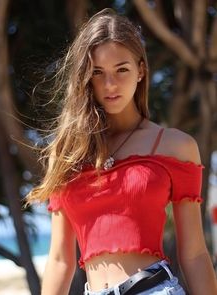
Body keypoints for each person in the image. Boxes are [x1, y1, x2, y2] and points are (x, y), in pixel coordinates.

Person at [26, 8, 217, 295]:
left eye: (122, 69)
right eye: (98, 73)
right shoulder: (67, 155)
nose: (110, 85)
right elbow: (60, 262)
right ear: (85, 78)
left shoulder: (176, 146)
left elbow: (194, 254)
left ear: (141, 70)